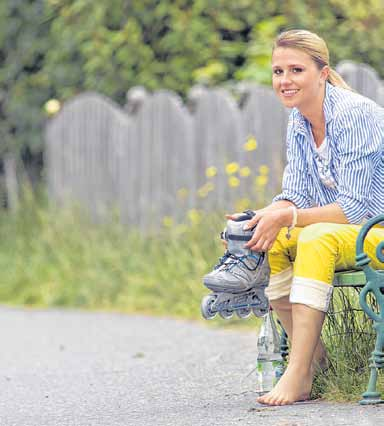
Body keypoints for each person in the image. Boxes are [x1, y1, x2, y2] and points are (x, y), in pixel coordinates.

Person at [227, 29, 384, 406]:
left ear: (323, 73)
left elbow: (357, 210)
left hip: (373, 229)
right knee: (271, 238)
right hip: (348, 230)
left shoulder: (354, 114)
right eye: (278, 71)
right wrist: (257, 218)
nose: (285, 81)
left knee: (315, 238)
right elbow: (294, 195)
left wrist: (289, 217)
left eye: (296, 70)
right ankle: (314, 362)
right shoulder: (299, 121)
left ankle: (295, 375)